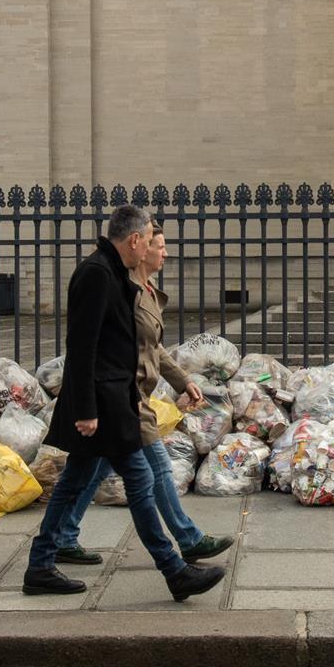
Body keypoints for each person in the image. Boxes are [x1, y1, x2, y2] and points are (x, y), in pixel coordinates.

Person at [23, 205, 224, 601]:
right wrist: (85, 410)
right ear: (134, 240)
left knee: (74, 483)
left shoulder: (111, 272)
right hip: (104, 404)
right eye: (149, 241)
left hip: (113, 399)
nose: (151, 248)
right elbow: (82, 347)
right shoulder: (97, 275)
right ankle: (174, 569)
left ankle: (41, 564)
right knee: (142, 481)